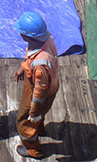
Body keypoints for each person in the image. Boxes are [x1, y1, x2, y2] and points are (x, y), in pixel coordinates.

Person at [14, 12, 60, 160]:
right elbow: (32, 56)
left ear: (26, 36)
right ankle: (39, 128)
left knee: (24, 121)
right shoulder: (47, 39)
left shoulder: (40, 66)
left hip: (39, 92)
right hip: (52, 85)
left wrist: (33, 113)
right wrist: (23, 67)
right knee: (39, 115)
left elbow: (40, 92)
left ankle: (34, 150)